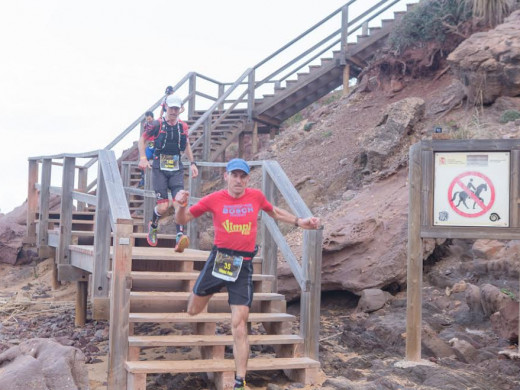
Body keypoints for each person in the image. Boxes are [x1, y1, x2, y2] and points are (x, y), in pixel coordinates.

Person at [173, 158, 320, 390]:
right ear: (226, 177)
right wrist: (180, 205)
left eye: (243, 176)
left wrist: (300, 221)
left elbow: (275, 212)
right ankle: (202, 293)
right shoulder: (213, 199)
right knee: (193, 310)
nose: (239, 180)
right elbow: (182, 219)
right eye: (235, 175)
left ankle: (240, 380)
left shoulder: (256, 196)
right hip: (219, 260)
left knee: (239, 324)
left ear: (247, 179)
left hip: (243, 264)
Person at [138, 94, 199, 251]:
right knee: (164, 207)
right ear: (166, 107)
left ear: (179, 110)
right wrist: (143, 157)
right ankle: (154, 225)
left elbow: (186, 145)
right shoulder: (157, 125)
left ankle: (179, 235)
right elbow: (142, 140)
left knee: (180, 201)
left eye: (176, 108)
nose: (173, 111)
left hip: (176, 167)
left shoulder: (182, 127)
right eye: (171, 108)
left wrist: (192, 163)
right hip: (159, 168)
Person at [137, 111, 155, 188]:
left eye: (150, 119)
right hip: (151, 145)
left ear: (153, 118)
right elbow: (143, 139)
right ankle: (143, 179)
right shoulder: (146, 126)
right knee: (145, 159)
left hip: (158, 145)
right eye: (147, 119)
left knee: (158, 160)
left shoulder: (157, 124)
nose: (149, 120)